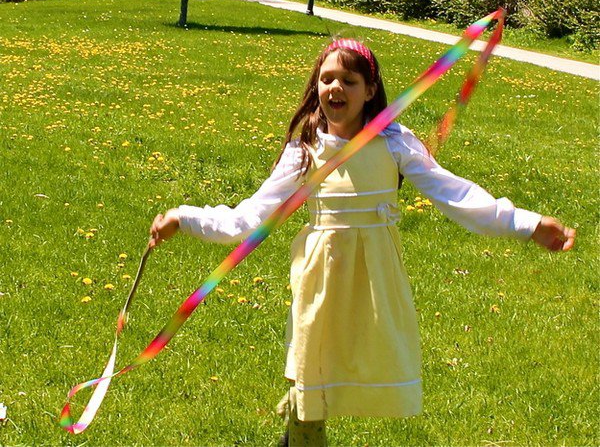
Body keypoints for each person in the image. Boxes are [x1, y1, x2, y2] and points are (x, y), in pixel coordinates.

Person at [149, 39, 575, 446]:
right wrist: (183, 218)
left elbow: (457, 195)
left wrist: (527, 223)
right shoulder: (305, 152)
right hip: (321, 284)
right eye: (327, 78)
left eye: (349, 81)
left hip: (376, 285)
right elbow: (246, 219)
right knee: (310, 382)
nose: (336, 87)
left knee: (354, 372)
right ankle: (300, 432)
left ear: (370, 90)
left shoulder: (395, 144)